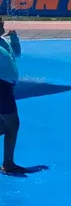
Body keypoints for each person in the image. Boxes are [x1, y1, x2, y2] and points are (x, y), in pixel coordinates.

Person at [0, 17, 27, 175]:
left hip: (7, 87)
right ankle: (8, 163)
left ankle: (8, 162)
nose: (3, 25)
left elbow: (16, 54)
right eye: (0, 24)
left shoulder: (4, 41)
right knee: (13, 124)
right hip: (1, 87)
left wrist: (15, 39)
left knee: (4, 126)